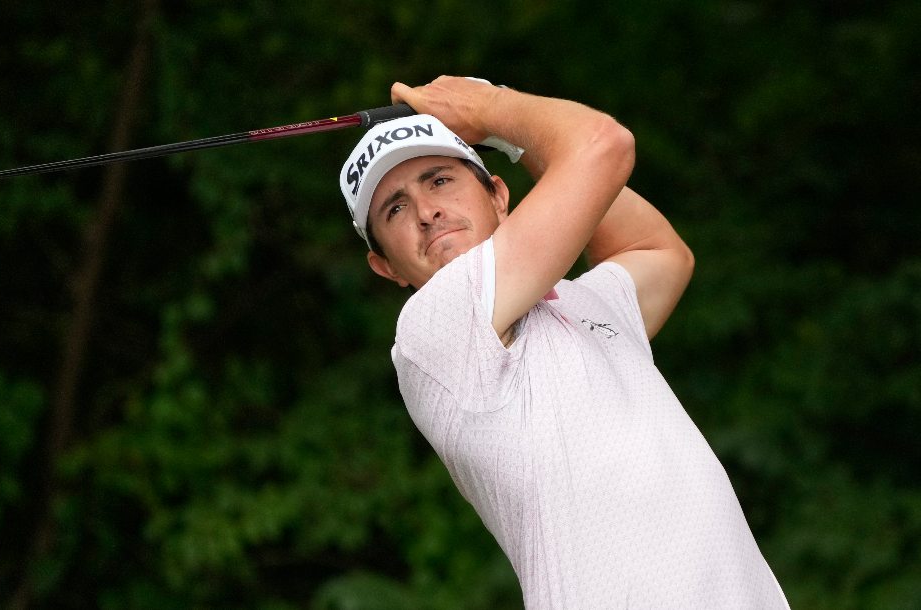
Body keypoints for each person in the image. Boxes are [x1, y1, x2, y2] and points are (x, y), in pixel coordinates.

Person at [338, 76, 790, 609]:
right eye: (394, 209)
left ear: (499, 195)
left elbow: (660, 252)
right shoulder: (434, 327)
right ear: (385, 266)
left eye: (439, 180)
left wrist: (511, 139)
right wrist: (490, 108)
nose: (425, 211)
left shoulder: (578, 302)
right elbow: (604, 144)